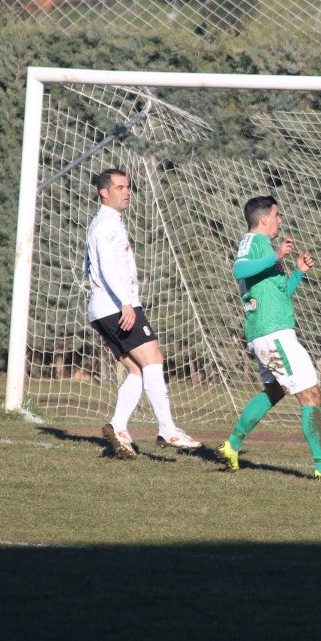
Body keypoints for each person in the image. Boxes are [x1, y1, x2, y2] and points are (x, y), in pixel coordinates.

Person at [216, 195, 321, 482]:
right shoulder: (256, 243)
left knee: (275, 391)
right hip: (274, 333)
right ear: (264, 218)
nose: (280, 220)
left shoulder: (261, 248)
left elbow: (280, 295)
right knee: (311, 395)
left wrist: (299, 274)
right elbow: (238, 269)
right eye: (277, 215)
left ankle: (232, 445)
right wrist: (278, 255)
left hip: (266, 331)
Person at [85, 168, 199, 459]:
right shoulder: (108, 225)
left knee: (137, 370)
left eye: (129, 187)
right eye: (120, 187)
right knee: (154, 361)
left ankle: (119, 427)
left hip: (101, 309)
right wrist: (126, 302)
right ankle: (168, 429)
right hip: (117, 306)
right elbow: (109, 268)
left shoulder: (102, 223)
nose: (127, 192)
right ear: (104, 192)